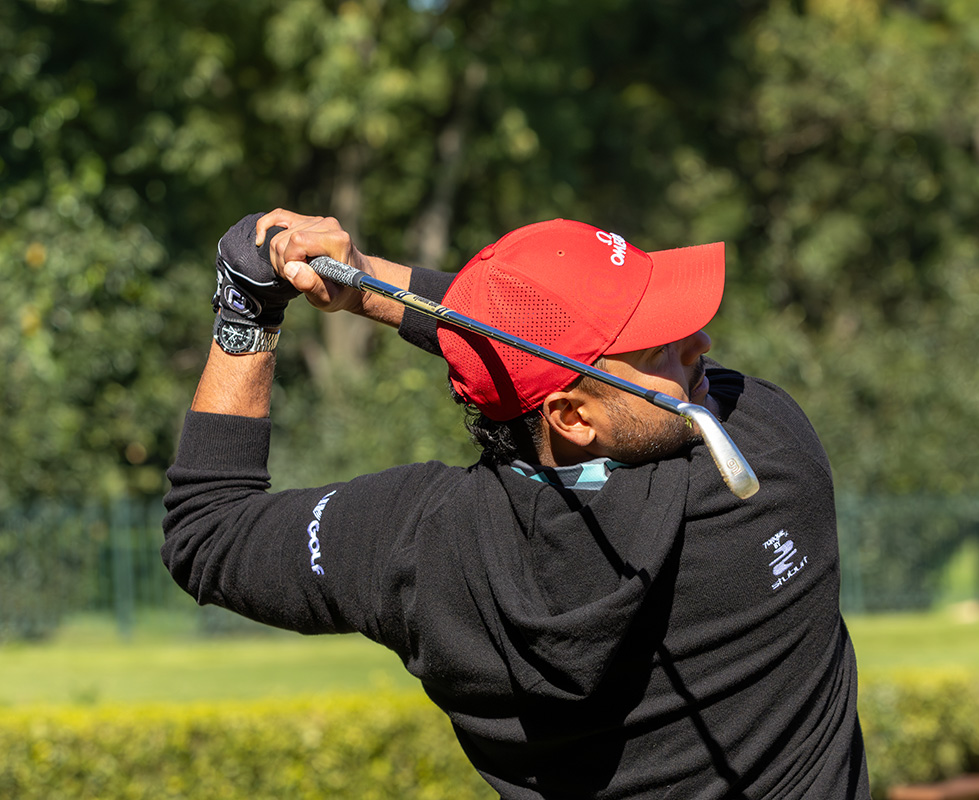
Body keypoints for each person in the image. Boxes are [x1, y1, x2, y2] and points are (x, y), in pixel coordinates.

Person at [162, 208, 870, 800]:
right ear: (572, 416)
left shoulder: (422, 545)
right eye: (663, 351)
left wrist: (246, 309)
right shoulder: (766, 455)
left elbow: (208, 530)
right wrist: (370, 284)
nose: (703, 350)